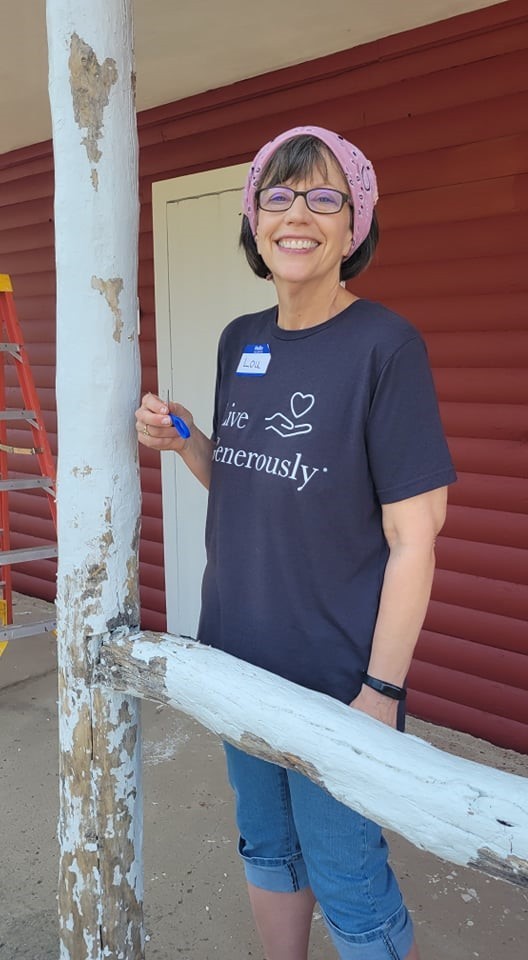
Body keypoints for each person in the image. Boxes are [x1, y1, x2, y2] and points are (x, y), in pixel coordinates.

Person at [136, 125, 456, 960]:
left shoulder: (386, 346)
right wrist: (189, 440)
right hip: (236, 659)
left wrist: (380, 691)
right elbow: (246, 477)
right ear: (254, 220)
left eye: (323, 197)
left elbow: (414, 536)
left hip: (334, 678)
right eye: (276, 196)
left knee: (348, 873)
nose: (297, 215)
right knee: (267, 847)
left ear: (356, 223)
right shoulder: (241, 338)